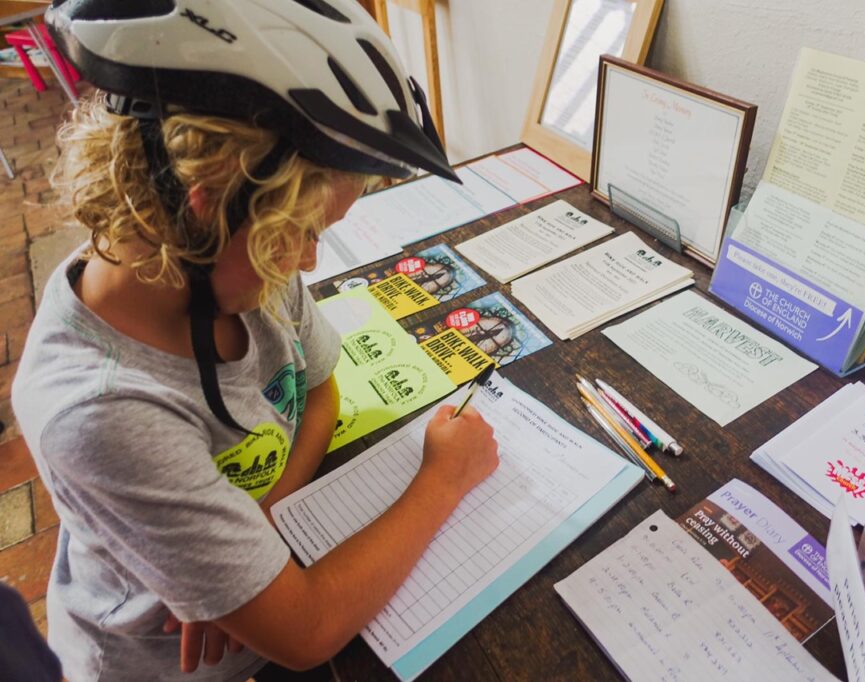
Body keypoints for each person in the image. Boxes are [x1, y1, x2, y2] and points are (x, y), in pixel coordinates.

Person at [12, 1, 499, 680]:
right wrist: (446, 476)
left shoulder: (240, 265)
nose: (309, 261)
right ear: (209, 201)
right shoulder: (101, 412)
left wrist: (257, 535)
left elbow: (321, 391)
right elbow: (307, 631)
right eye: (306, 233)